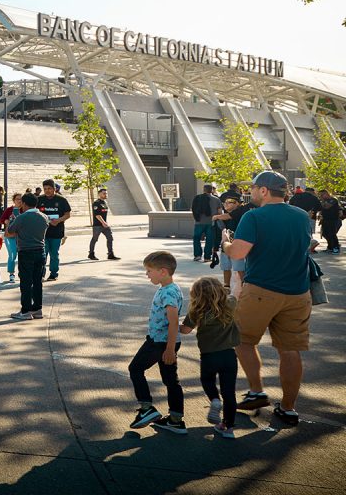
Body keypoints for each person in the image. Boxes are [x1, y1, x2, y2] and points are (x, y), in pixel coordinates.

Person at [221, 170, 312, 426]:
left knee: (241, 340)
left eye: (253, 188)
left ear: (263, 190)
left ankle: (257, 390)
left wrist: (225, 243)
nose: (250, 192)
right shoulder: (302, 216)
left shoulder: (254, 216)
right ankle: (288, 408)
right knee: (290, 350)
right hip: (298, 293)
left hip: (262, 289)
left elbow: (239, 252)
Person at [128, 251, 185, 434]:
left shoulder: (168, 292)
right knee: (170, 380)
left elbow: (174, 320)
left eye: (149, 270)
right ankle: (176, 420)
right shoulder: (172, 289)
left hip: (159, 343)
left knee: (135, 368)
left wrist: (169, 349)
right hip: (166, 342)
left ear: (163, 271)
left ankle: (147, 409)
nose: (147, 274)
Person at [179, 277, 240, 438]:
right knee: (229, 392)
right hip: (229, 355)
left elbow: (185, 330)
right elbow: (236, 292)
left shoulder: (196, 309)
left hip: (208, 356)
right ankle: (228, 428)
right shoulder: (230, 304)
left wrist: (173, 325)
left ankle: (214, 399)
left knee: (207, 380)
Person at [8, 192, 49, 321]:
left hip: (26, 252)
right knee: (37, 281)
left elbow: (10, 230)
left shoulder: (22, 217)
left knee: (26, 282)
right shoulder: (44, 216)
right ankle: (37, 308)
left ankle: (25, 310)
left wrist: (12, 220)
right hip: (40, 251)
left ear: (24, 203)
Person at [212, 194, 251, 291]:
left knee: (239, 268)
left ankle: (244, 286)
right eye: (225, 202)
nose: (227, 204)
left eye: (230, 202)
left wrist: (217, 216)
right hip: (225, 244)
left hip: (237, 245)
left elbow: (228, 216)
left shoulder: (241, 212)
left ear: (238, 203)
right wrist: (215, 247)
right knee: (226, 266)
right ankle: (226, 286)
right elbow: (218, 233)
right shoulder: (221, 217)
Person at [36, 179, 71, 280]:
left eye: (49, 188)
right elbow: (35, 212)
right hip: (43, 233)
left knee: (54, 254)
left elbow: (67, 214)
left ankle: (54, 273)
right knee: (43, 254)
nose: (47, 191)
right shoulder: (39, 199)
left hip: (57, 232)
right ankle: (41, 274)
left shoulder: (61, 200)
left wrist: (58, 220)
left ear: (54, 188)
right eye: (45, 189)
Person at [191, 184, 223, 263]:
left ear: (204, 190)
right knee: (209, 240)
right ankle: (207, 257)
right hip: (211, 222)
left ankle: (197, 255)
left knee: (196, 239)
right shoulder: (217, 200)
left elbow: (193, 209)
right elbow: (219, 212)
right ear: (212, 190)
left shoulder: (197, 198)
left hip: (199, 222)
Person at [88, 187, 118, 260]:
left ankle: (110, 254)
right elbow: (97, 215)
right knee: (95, 239)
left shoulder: (104, 203)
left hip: (104, 224)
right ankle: (91, 254)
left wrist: (105, 223)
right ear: (99, 194)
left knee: (110, 238)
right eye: (104, 193)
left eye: (106, 193)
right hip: (98, 225)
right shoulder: (96, 203)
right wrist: (103, 222)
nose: (106, 195)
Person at [1, 193, 24, 284]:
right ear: (14, 200)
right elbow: (2, 219)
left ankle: (22, 273)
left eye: (21, 199)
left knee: (22, 255)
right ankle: (11, 273)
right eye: (17, 199)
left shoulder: (24, 210)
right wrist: (6, 221)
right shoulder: (9, 210)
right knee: (13, 254)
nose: (19, 201)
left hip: (22, 236)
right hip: (10, 236)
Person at [318, 188, 341, 254]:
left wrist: (322, 201)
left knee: (332, 234)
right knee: (325, 233)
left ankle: (336, 248)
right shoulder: (325, 201)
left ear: (326, 194)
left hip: (333, 219)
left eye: (322, 195)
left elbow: (327, 206)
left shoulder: (333, 200)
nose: (321, 197)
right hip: (326, 219)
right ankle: (330, 247)